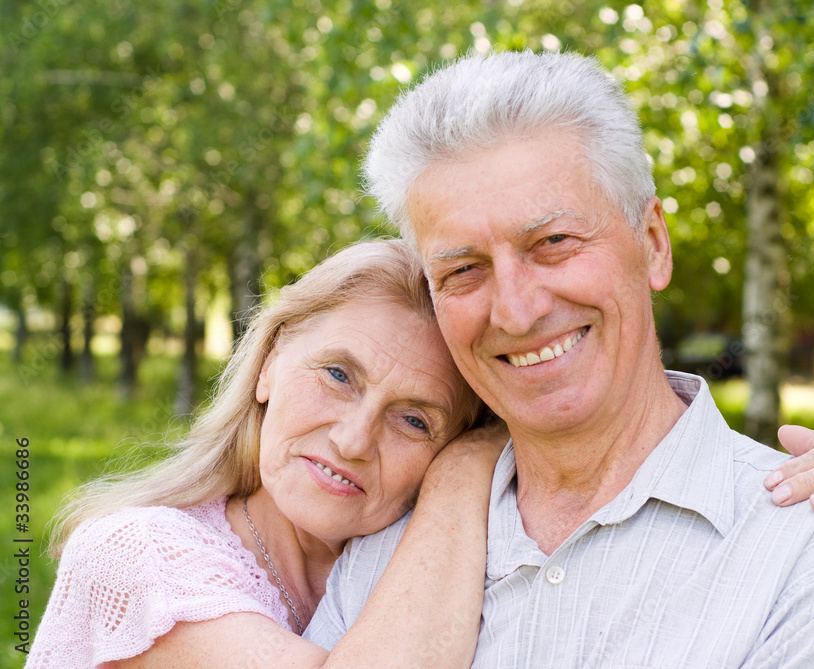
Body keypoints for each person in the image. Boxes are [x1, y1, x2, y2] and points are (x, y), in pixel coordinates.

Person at [306, 50, 814, 667]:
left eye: (554, 242)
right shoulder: (380, 549)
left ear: (653, 244)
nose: (516, 314)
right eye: (463, 270)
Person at [27, 240, 506, 668]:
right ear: (270, 366)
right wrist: (468, 468)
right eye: (338, 375)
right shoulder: (137, 554)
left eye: (414, 420)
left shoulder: (434, 567)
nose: (353, 441)